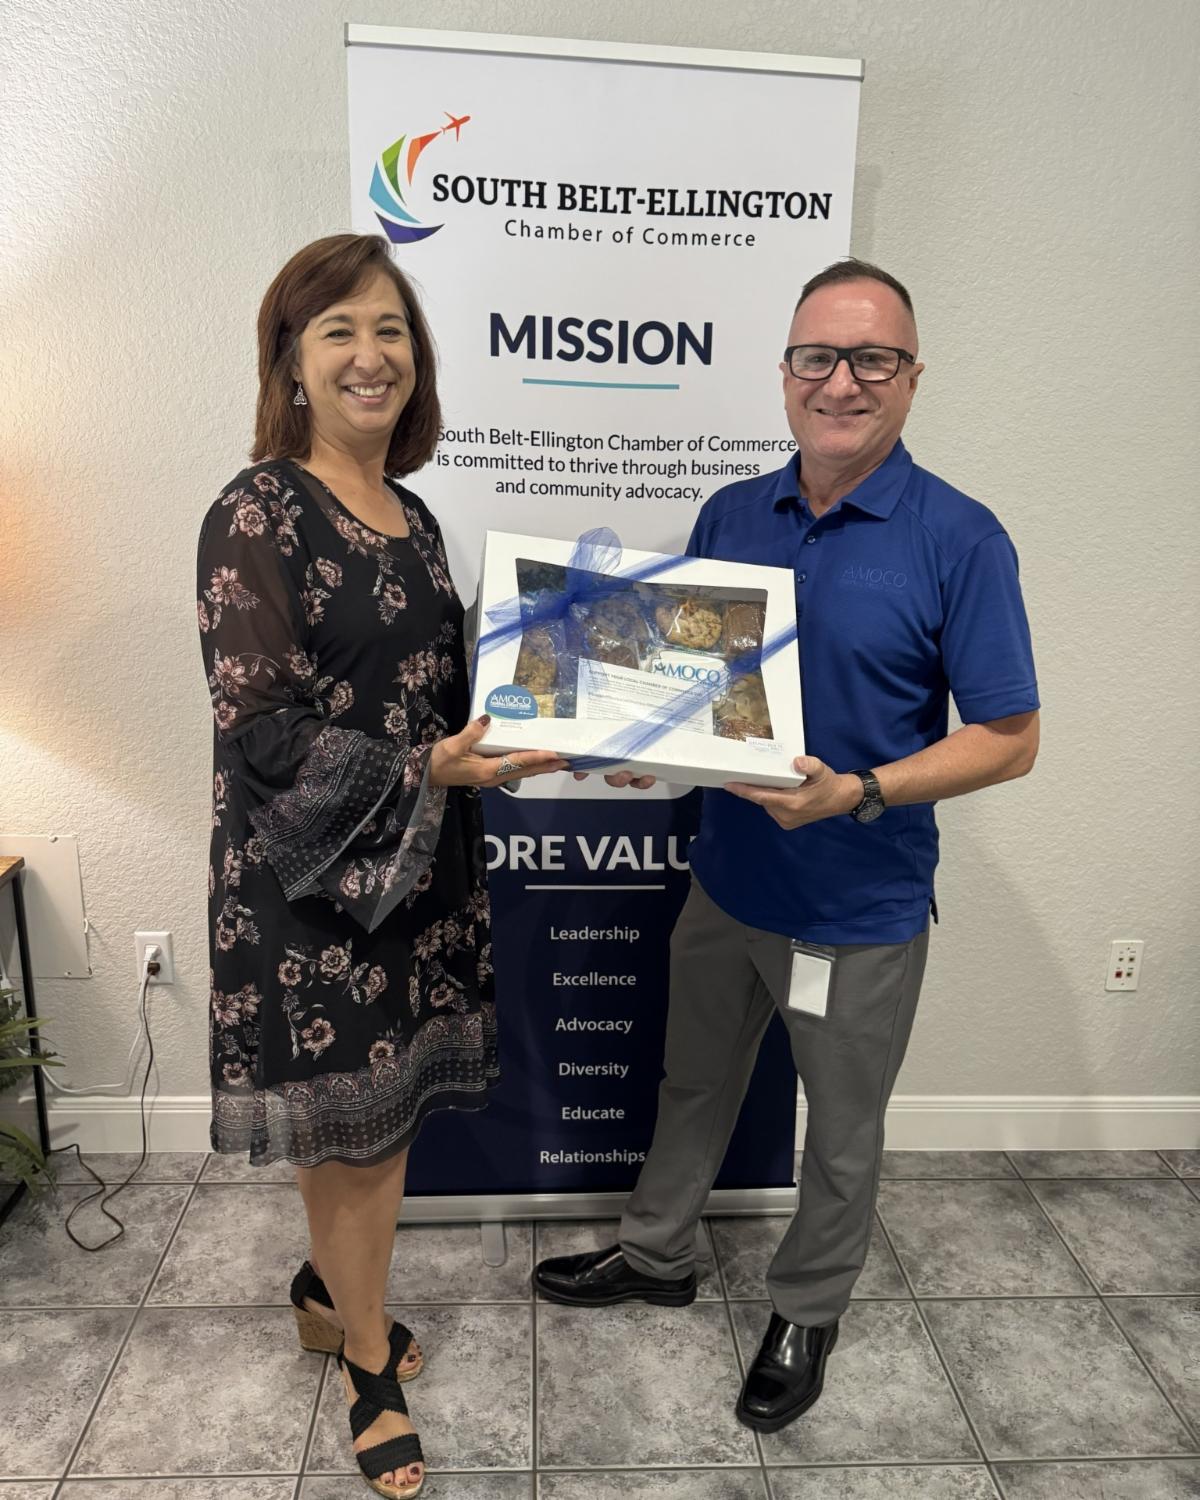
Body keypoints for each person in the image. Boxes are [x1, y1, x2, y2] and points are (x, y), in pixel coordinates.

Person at [534, 258, 1040, 1433]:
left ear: (911, 377)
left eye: (873, 359)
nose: (842, 382)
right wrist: (643, 744)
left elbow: (1011, 739)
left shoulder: (960, 538)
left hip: (855, 908)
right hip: (727, 880)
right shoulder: (732, 513)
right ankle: (657, 1254)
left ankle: (807, 1309)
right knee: (693, 1081)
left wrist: (862, 791)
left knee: (841, 1133)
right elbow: (697, 689)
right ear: (785, 373)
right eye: (819, 356)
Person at [197, 233, 564, 1498]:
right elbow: (260, 730)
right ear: (291, 361)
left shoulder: (415, 516)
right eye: (340, 330)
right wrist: (427, 769)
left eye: (391, 329)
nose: (371, 355)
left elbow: (441, 696)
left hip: (416, 874)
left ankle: (327, 1292)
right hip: (313, 893)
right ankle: (365, 1358)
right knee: (354, 1144)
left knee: (383, 1123)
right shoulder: (256, 511)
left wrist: (554, 730)